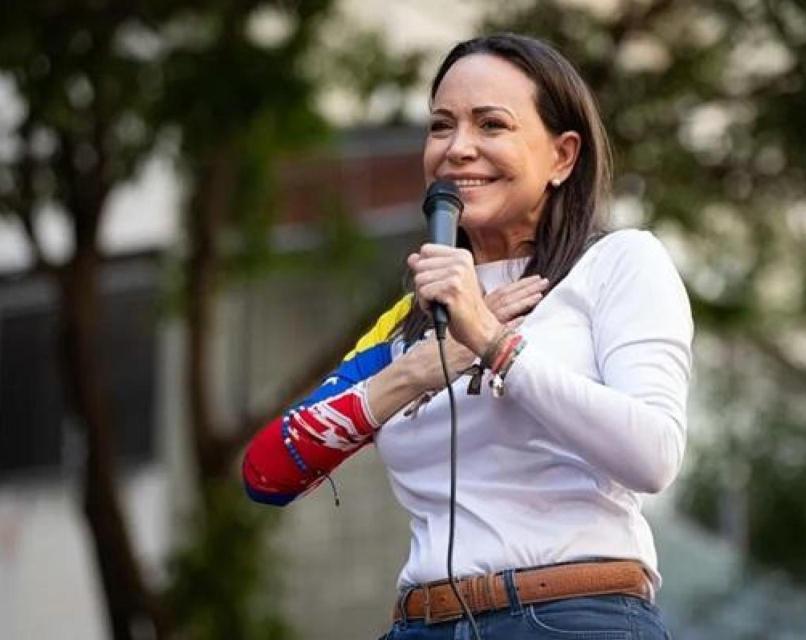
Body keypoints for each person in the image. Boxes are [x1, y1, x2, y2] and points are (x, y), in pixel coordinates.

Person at [242, 33, 693, 639]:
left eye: (492, 125)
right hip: (422, 623)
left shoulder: (616, 264)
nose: (458, 149)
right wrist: (421, 369)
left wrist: (493, 342)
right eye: (440, 126)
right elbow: (267, 471)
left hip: (573, 615)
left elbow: (654, 455)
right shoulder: (410, 322)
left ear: (563, 156)